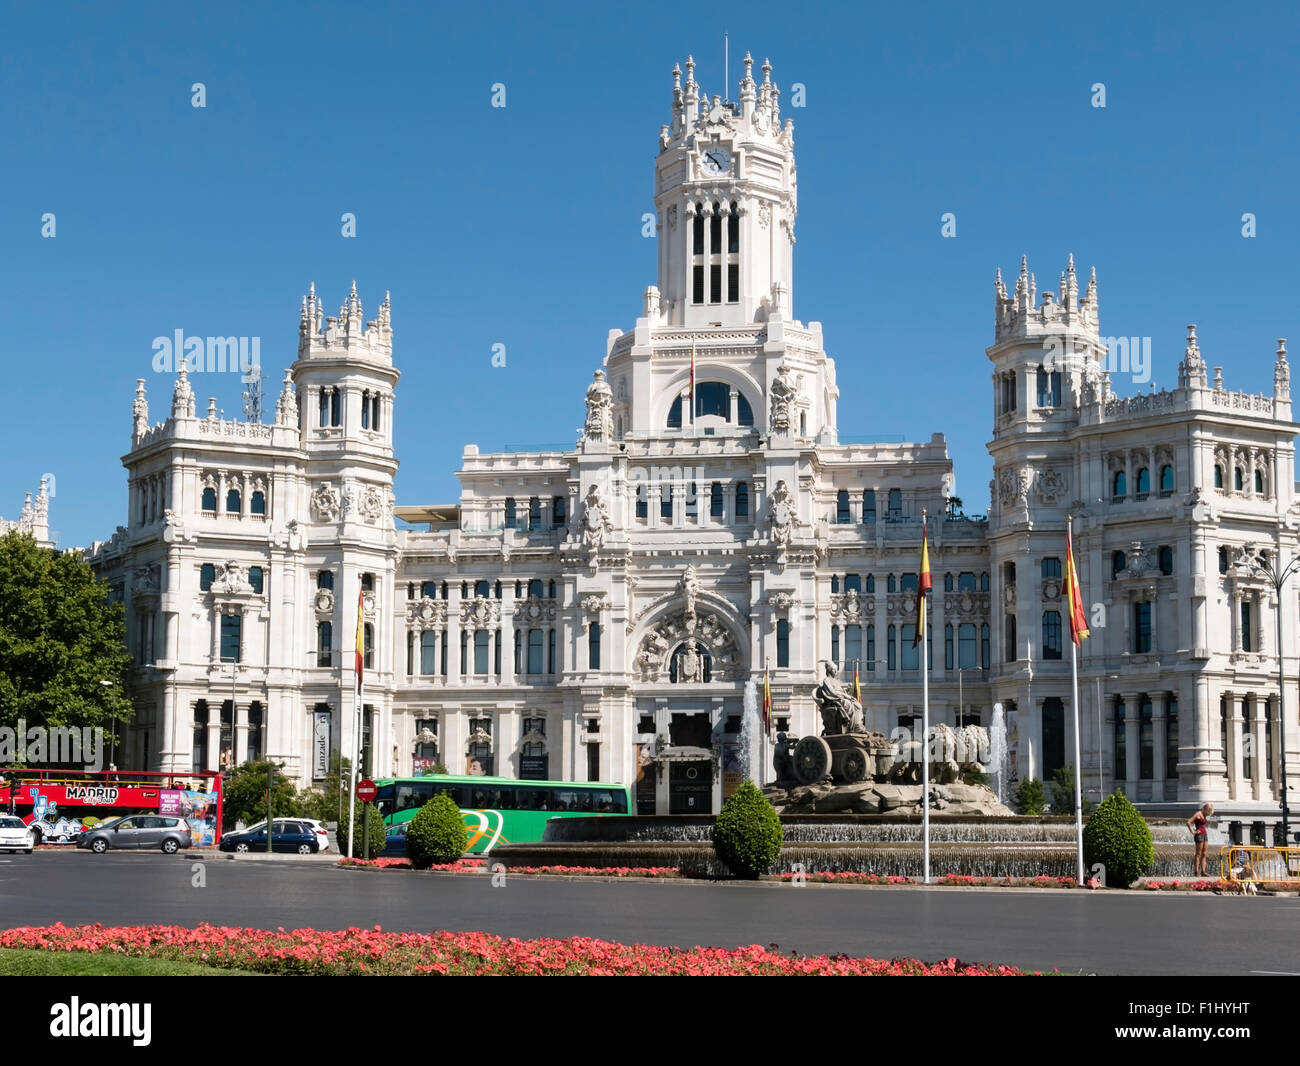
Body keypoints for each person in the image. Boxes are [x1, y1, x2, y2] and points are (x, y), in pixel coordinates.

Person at [1187, 802, 1213, 877]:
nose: (1208, 814)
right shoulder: (1198, 814)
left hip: (1205, 835)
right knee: (1198, 853)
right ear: (1205, 809)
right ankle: (1196, 871)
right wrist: (1193, 831)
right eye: (1208, 811)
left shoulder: (1204, 815)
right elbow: (1188, 822)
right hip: (1199, 835)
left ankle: (1203, 871)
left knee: (1204, 853)